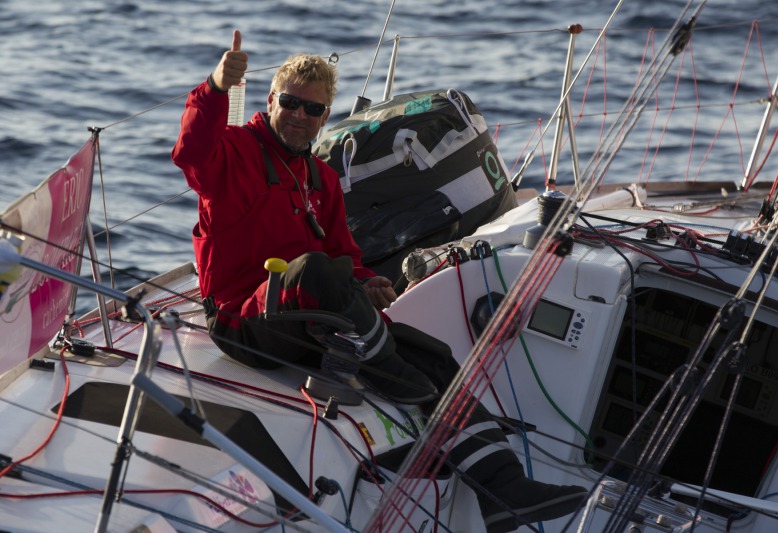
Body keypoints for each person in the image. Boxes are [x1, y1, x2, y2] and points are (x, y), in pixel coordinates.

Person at [172, 30, 587, 532]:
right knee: (315, 270)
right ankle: (390, 371)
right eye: (291, 103)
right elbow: (191, 150)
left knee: (434, 355)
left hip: (306, 317)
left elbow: (345, 252)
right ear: (271, 100)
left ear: (326, 117)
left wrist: (368, 282)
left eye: (315, 110)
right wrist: (216, 86)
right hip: (244, 323)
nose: (301, 116)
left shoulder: (320, 179)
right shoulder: (232, 154)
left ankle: (505, 490)